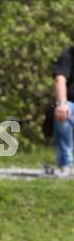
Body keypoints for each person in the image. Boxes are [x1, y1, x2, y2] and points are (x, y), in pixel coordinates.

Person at [53, 46, 74, 176]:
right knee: (63, 112)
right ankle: (66, 165)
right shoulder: (69, 54)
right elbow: (60, 79)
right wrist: (61, 103)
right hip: (71, 105)